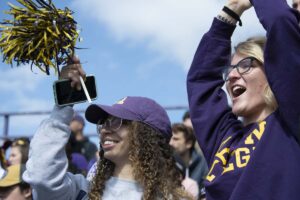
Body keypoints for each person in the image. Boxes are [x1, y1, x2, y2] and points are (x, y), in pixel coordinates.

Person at [23, 57, 193, 200]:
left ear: (146, 136)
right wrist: (64, 103)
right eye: (104, 123)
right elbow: (42, 176)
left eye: (118, 122)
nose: (104, 130)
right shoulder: (83, 191)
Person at [187, 0, 300, 199]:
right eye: (230, 69)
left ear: (273, 72)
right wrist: (231, 12)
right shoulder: (225, 138)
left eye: (246, 65)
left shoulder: (290, 123)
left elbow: (280, 22)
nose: (231, 76)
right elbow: (200, 81)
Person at [170, 123, 208, 191]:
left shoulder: (204, 165)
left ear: (189, 143)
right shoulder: (168, 164)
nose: (171, 143)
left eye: (176, 139)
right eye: (170, 139)